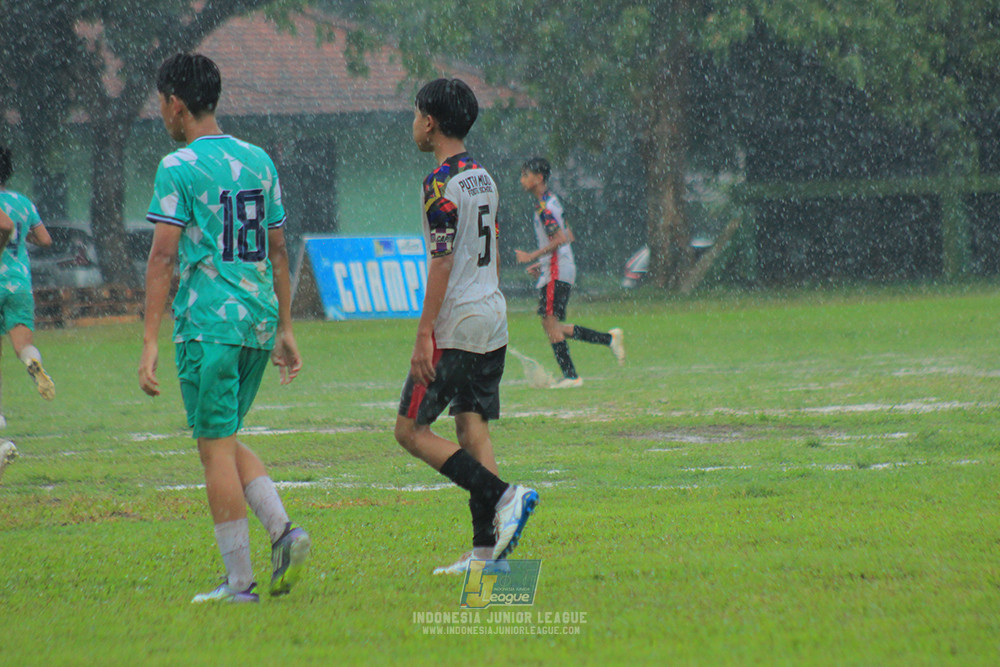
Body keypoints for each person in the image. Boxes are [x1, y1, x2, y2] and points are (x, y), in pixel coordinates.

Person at [138, 53, 310, 604]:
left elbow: (162, 257)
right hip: (257, 322)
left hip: (209, 325)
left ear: (176, 104)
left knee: (212, 450)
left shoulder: (179, 165)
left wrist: (149, 341)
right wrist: (285, 326)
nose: (162, 113)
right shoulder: (258, 159)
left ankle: (240, 583)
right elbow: (278, 250)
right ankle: (283, 532)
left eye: (161, 103)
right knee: (224, 440)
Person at [394, 78, 538, 575]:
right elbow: (487, 251)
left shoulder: (439, 183)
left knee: (410, 430)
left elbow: (442, 261)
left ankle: (505, 496)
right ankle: (486, 555)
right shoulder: (484, 177)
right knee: (471, 425)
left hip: (457, 325)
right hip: (492, 316)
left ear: (430, 123)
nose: (414, 123)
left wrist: (423, 335)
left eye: (416, 114)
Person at [514, 157, 625, 388]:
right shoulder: (550, 201)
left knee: (550, 322)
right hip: (557, 267)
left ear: (539, 178)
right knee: (551, 325)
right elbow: (569, 235)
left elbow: (561, 238)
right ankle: (608, 339)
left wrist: (532, 256)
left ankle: (572, 377)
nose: (522, 180)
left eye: (526, 175)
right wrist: (543, 263)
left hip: (557, 270)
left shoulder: (545, 206)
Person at [0, 146, 54, 431]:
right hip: (19, 283)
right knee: (22, 345)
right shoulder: (23, 202)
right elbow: (45, 239)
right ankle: (33, 361)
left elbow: (3, 227)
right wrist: (20, 240)